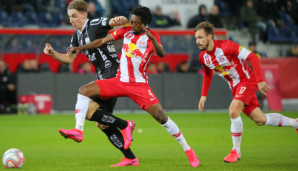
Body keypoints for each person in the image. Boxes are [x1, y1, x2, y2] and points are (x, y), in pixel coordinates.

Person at [67, 5, 199, 167]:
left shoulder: (152, 37)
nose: (132, 24)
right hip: (119, 81)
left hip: (139, 85)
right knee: (83, 91)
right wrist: (80, 48)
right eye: (132, 21)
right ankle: (78, 130)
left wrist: (151, 38)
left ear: (144, 24)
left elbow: (161, 54)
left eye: (136, 22)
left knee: (161, 117)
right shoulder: (126, 31)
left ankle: (188, 150)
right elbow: (101, 41)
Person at [43, 0, 138, 167]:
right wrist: (52, 53)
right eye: (69, 17)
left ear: (84, 15)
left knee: (86, 106)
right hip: (103, 76)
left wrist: (119, 19)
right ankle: (130, 157)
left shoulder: (95, 23)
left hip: (113, 74)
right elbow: (68, 60)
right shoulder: (76, 35)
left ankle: (123, 125)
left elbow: (118, 21)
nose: (71, 20)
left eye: (74, 16)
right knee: (102, 124)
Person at [195, 21, 298, 163]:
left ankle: (235, 151)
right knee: (261, 120)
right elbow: (207, 73)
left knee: (233, 111)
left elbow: (253, 57)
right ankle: (296, 123)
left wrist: (260, 80)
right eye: (196, 38)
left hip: (247, 81)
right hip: (236, 88)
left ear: (210, 37)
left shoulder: (227, 46)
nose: (197, 41)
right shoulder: (203, 57)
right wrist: (203, 95)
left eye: (200, 37)